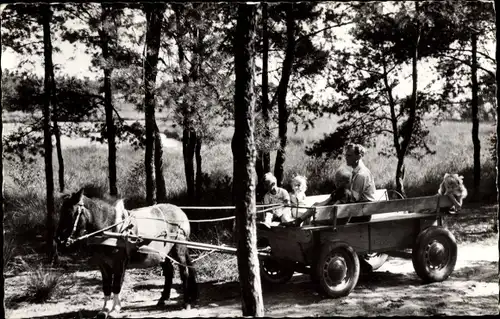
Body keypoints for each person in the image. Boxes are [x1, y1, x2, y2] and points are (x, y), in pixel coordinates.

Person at [288, 167, 354, 227]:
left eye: (340, 181)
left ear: (347, 182)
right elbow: (326, 201)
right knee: (315, 206)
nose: (337, 183)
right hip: (333, 216)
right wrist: (317, 205)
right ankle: (299, 223)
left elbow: (336, 206)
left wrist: (321, 210)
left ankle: (300, 224)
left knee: (313, 221)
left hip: (338, 219)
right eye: (336, 180)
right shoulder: (336, 191)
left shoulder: (346, 193)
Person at [344, 143, 376, 223]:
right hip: (360, 210)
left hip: (362, 214)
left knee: (328, 219)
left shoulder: (361, 174)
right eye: (346, 155)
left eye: (349, 155)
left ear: (358, 157)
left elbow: (353, 199)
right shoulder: (357, 172)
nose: (346, 158)